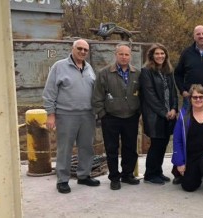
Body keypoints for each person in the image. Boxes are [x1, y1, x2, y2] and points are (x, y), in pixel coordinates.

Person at [43, 39, 100, 194]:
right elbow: (49, 92)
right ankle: (62, 180)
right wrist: (50, 115)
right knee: (65, 148)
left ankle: (84, 175)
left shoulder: (89, 68)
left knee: (86, 147)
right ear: (72, 49)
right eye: (79, 49)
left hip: (87, 115)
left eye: (85, 50)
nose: (82, 52)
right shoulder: (59, 66)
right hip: (66, 114)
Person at [92, 43, 141, 190]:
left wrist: (137, 112)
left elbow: (142, 94)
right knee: (111, 148)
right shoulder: (104, 73)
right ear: (116, 55)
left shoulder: (137, 73)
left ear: (130, 56)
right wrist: (102, 114)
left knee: (130, 148)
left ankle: (127, 174)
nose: (124, 57)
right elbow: (97, 96)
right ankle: (114, 177)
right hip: (111, 117)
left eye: (127, 54)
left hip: (131, 117)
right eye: (121, 54)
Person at [140, 43, 178, 185]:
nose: (160, 56)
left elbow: (173, 92)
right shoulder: (146, 71)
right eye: (157, 53)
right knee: (156, 144)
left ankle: (158, 171)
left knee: (163, 144)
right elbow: (150, 96)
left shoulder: (168, 70)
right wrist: (164, 113)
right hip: (155, 116)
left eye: (162, 53)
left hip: (169, 114)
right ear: (151, 55)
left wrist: (174, 108)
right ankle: (150, 174)